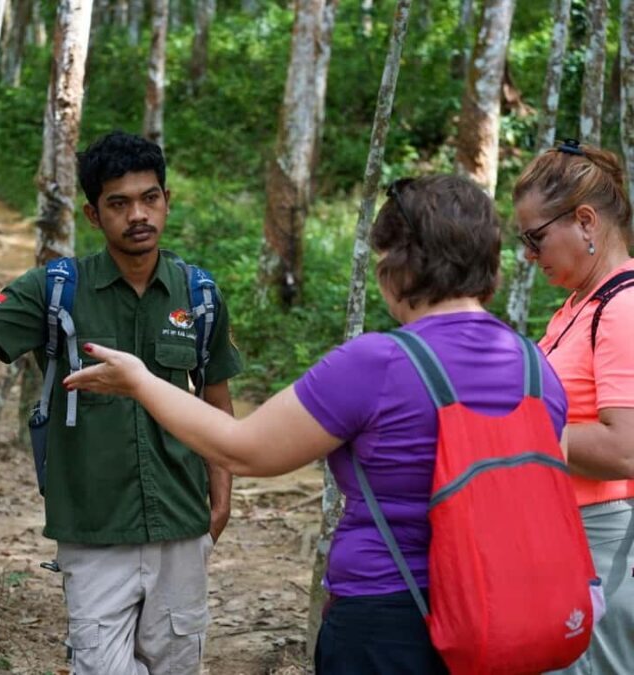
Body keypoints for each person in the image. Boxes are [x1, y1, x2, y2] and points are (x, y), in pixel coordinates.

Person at [64, 174, 570, 675]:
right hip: (504, 612)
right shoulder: (536, 367)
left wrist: (140, 381)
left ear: (397, 266)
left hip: (390, 618)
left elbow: (245, 450)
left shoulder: (379, 363)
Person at [0, 131, 242, 675]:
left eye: (149, 197)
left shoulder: (199, 296)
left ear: (166, 200)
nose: (138, 214)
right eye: (118, 203)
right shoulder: (57, 289)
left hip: (181, 524)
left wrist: (219, 505)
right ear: (92, 214)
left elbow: (218, 405)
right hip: (93, 528)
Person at [513, 141, 634, 675]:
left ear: (585, 221)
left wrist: (511, 432)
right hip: (569, 536)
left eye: (535, 238)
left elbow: (624, 448)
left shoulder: (622, 306)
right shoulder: (579, 306)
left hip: (606, 540)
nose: (529, 255)